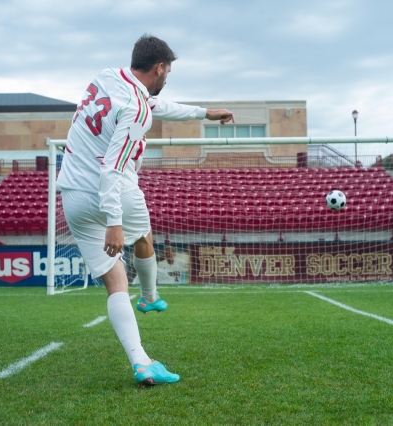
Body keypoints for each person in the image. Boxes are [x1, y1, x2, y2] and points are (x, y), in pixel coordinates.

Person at [56, 34, 234, 387]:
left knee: (115, 281)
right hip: (111, 191)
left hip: (72, 193)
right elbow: (112, 165)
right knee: (144, 236)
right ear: (159, 67)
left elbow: (156, 106)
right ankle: (150, 297)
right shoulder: (137, 108)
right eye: (168, 71)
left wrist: (203, 113)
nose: (167, 77)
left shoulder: (107, 77)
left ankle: (141, 361)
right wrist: (113, 222)